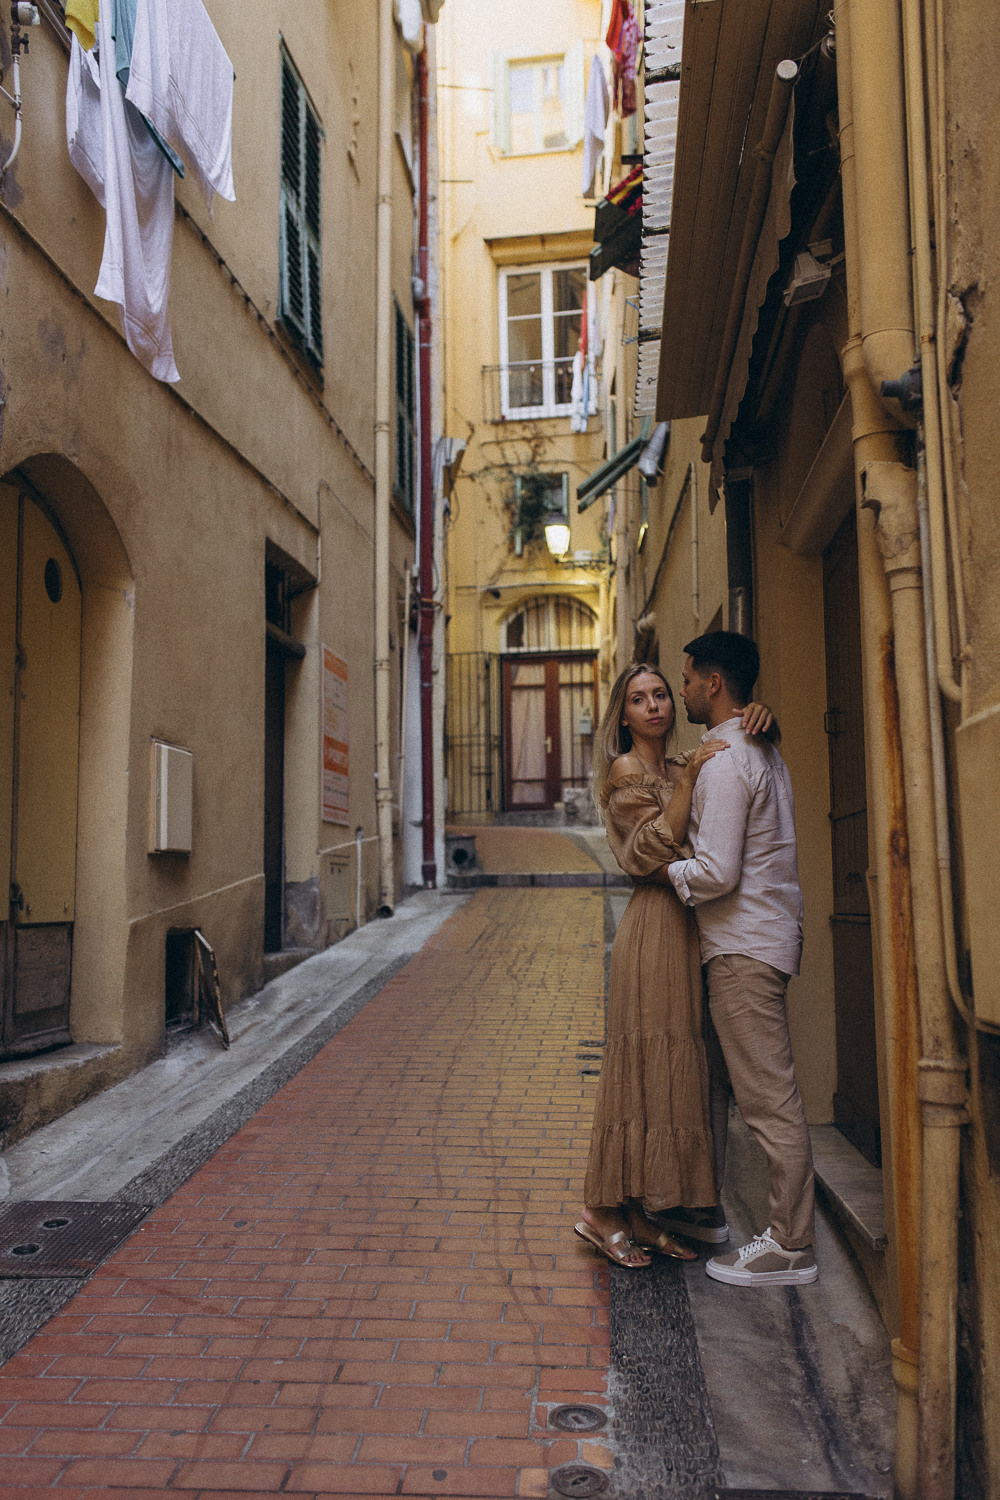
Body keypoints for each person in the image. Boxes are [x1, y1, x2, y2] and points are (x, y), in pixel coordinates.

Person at [575, 662, 773, 1268]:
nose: (655, 705)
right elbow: (641, 854)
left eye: (661, 693)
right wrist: (688, 784)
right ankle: (601, 1212)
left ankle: (639, 1210)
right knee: (642, 1063)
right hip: (654, 928)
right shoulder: (627, 771)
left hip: (689, 927)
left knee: (672, 1068)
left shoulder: (678, 760)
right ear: (624, 714)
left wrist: (762, 719)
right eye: (639, 699)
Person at [666, 630, 818, 1287]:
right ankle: (722, 1219)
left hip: (742, 948)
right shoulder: (758, 749)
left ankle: (789, 1245)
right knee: (746, 1093)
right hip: (757, 940)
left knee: (768, 1103)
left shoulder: (728, 759)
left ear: (716, 683)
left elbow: (718, 871)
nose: (684, 689)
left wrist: (666, 870)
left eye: (691, 678)